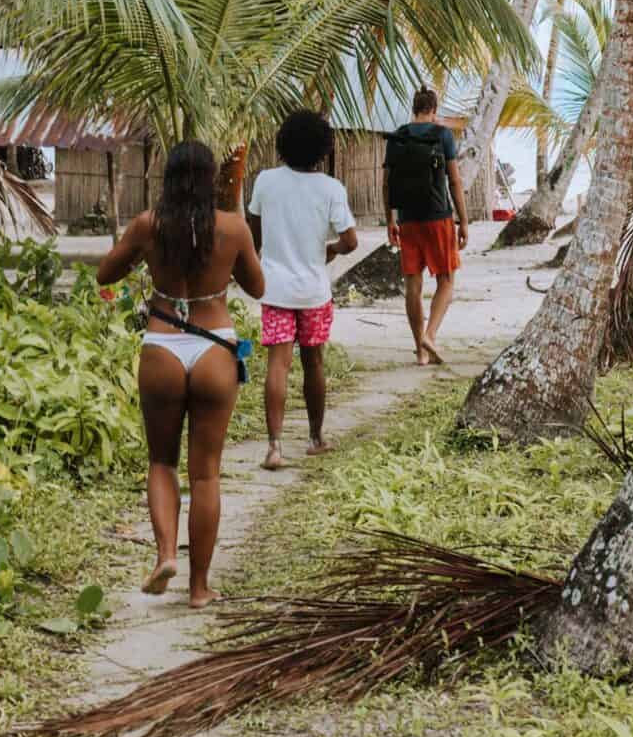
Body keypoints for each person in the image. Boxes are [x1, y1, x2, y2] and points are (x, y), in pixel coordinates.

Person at [96, 140, 264, 607]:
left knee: (161, 462)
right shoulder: (232, 228)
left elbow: (104, 275)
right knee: (206, 475)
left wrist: (139, 252)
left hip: (163, 345)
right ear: (211, 180)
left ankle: (166, 554)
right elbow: (258, 285)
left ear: (166, 178)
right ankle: (198, 587)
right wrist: (233, 225)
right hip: (214, 348)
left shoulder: (149, 225)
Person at [248, 109, 358, 469]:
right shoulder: (331, 188)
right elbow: (351, 241)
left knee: (277, 366)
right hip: (313, 291)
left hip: (274, 288)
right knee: (314, 362)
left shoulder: (265, 181)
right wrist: (329, 250)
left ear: (283, 143)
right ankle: (315, 438)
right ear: (323, 150)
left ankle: (274, 447)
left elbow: (254, 236)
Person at [383, 87, 469, 366]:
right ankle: (430, 335)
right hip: (438, 217)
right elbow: (454, 181)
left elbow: (386, 184)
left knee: (413, 285)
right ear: (434, 109)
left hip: (408, 219)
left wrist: (390, 220)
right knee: (446, 280)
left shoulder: (398, 136)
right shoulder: (442, 134)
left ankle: (420, 352)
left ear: (413, 108)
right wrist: (463, 221)